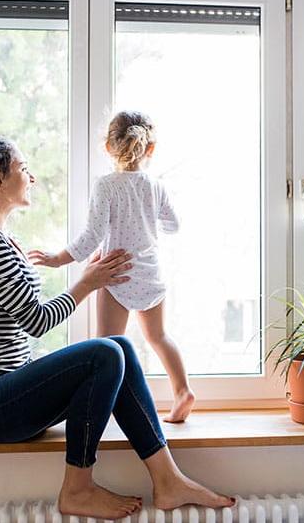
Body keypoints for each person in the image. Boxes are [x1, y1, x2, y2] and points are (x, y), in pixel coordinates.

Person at [0, 137, 233, 520]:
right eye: (23, 168)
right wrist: (87, 283)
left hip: (3, 392)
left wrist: (89, 277)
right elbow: (36, 320)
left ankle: (167, 479)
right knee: (104, 352)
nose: (32, 176)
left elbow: (21, 316)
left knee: (118, 346)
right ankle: (78, 487)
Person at [32, 111, 194, 423]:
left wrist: (56, 259)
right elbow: (173, 224)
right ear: (150, 149)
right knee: (159, 337)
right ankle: (182, 391)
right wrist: (147, 216)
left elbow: (91, 237)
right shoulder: (155, 186)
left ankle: (104, 409)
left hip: (115, 273)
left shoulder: (106, 186)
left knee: (105, 346)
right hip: (150, 273)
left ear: (108, 147)